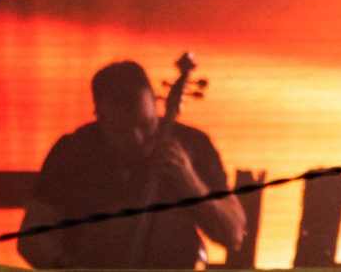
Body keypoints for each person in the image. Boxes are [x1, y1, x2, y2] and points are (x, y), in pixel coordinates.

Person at [18, 60, 245, 269]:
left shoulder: (192, 145)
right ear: (99, 116)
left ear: (156, 104)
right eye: (121, 131)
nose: (137, 139)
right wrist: (66, 267)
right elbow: (31, 238)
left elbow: (233, 234)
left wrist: (189, 180)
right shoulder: (73, 150)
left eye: (146, 125)